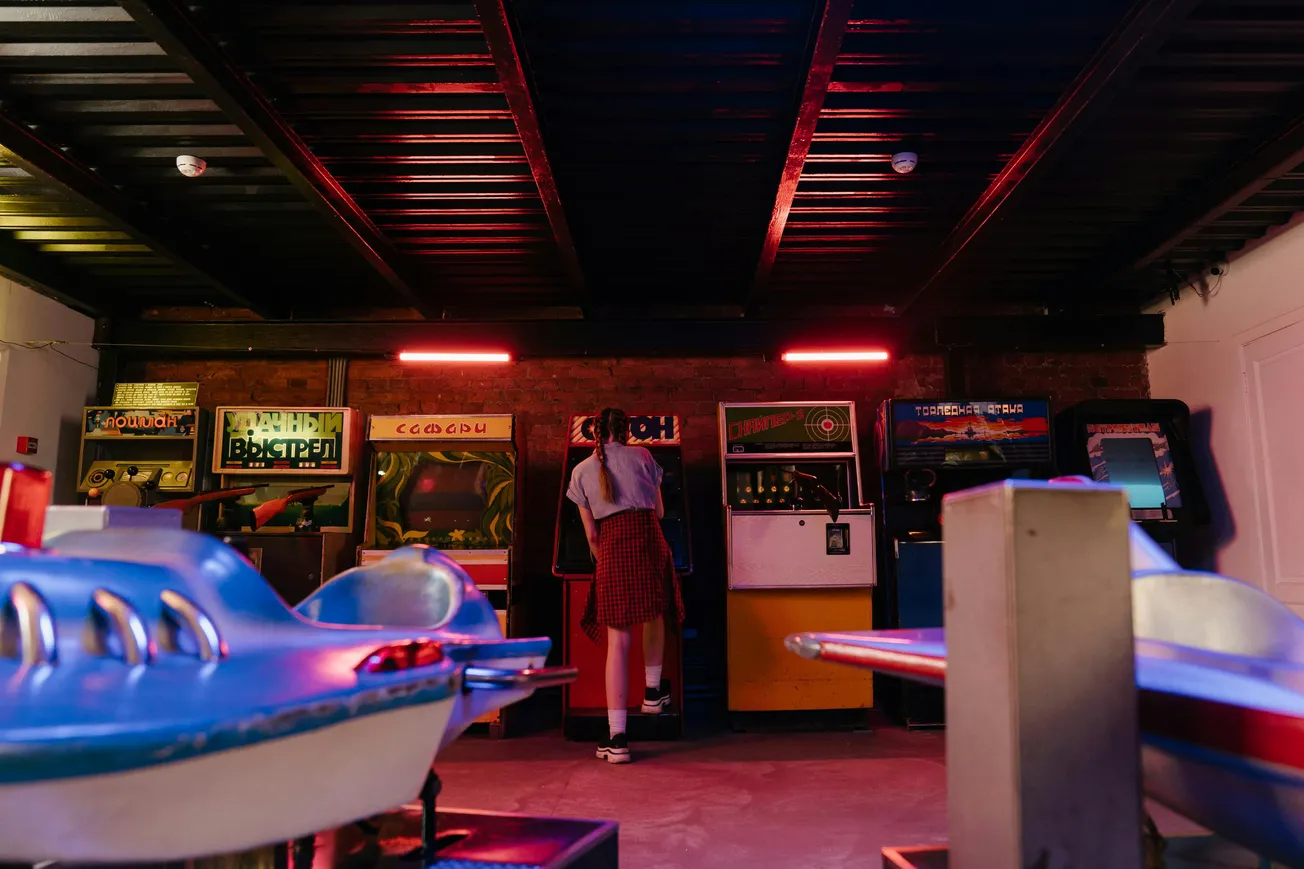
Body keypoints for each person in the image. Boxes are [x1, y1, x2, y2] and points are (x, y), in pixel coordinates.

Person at [566, 407, 684, 764]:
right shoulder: (644, 456)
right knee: (655, 611)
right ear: (628, 431)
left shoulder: (581, 470)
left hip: (613, 546)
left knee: (617, 644)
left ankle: (617, 740)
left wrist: (604, 559)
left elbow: (590, 534)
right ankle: (652, 692)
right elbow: (660, 512)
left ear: (593, 434)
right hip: (648, 539)